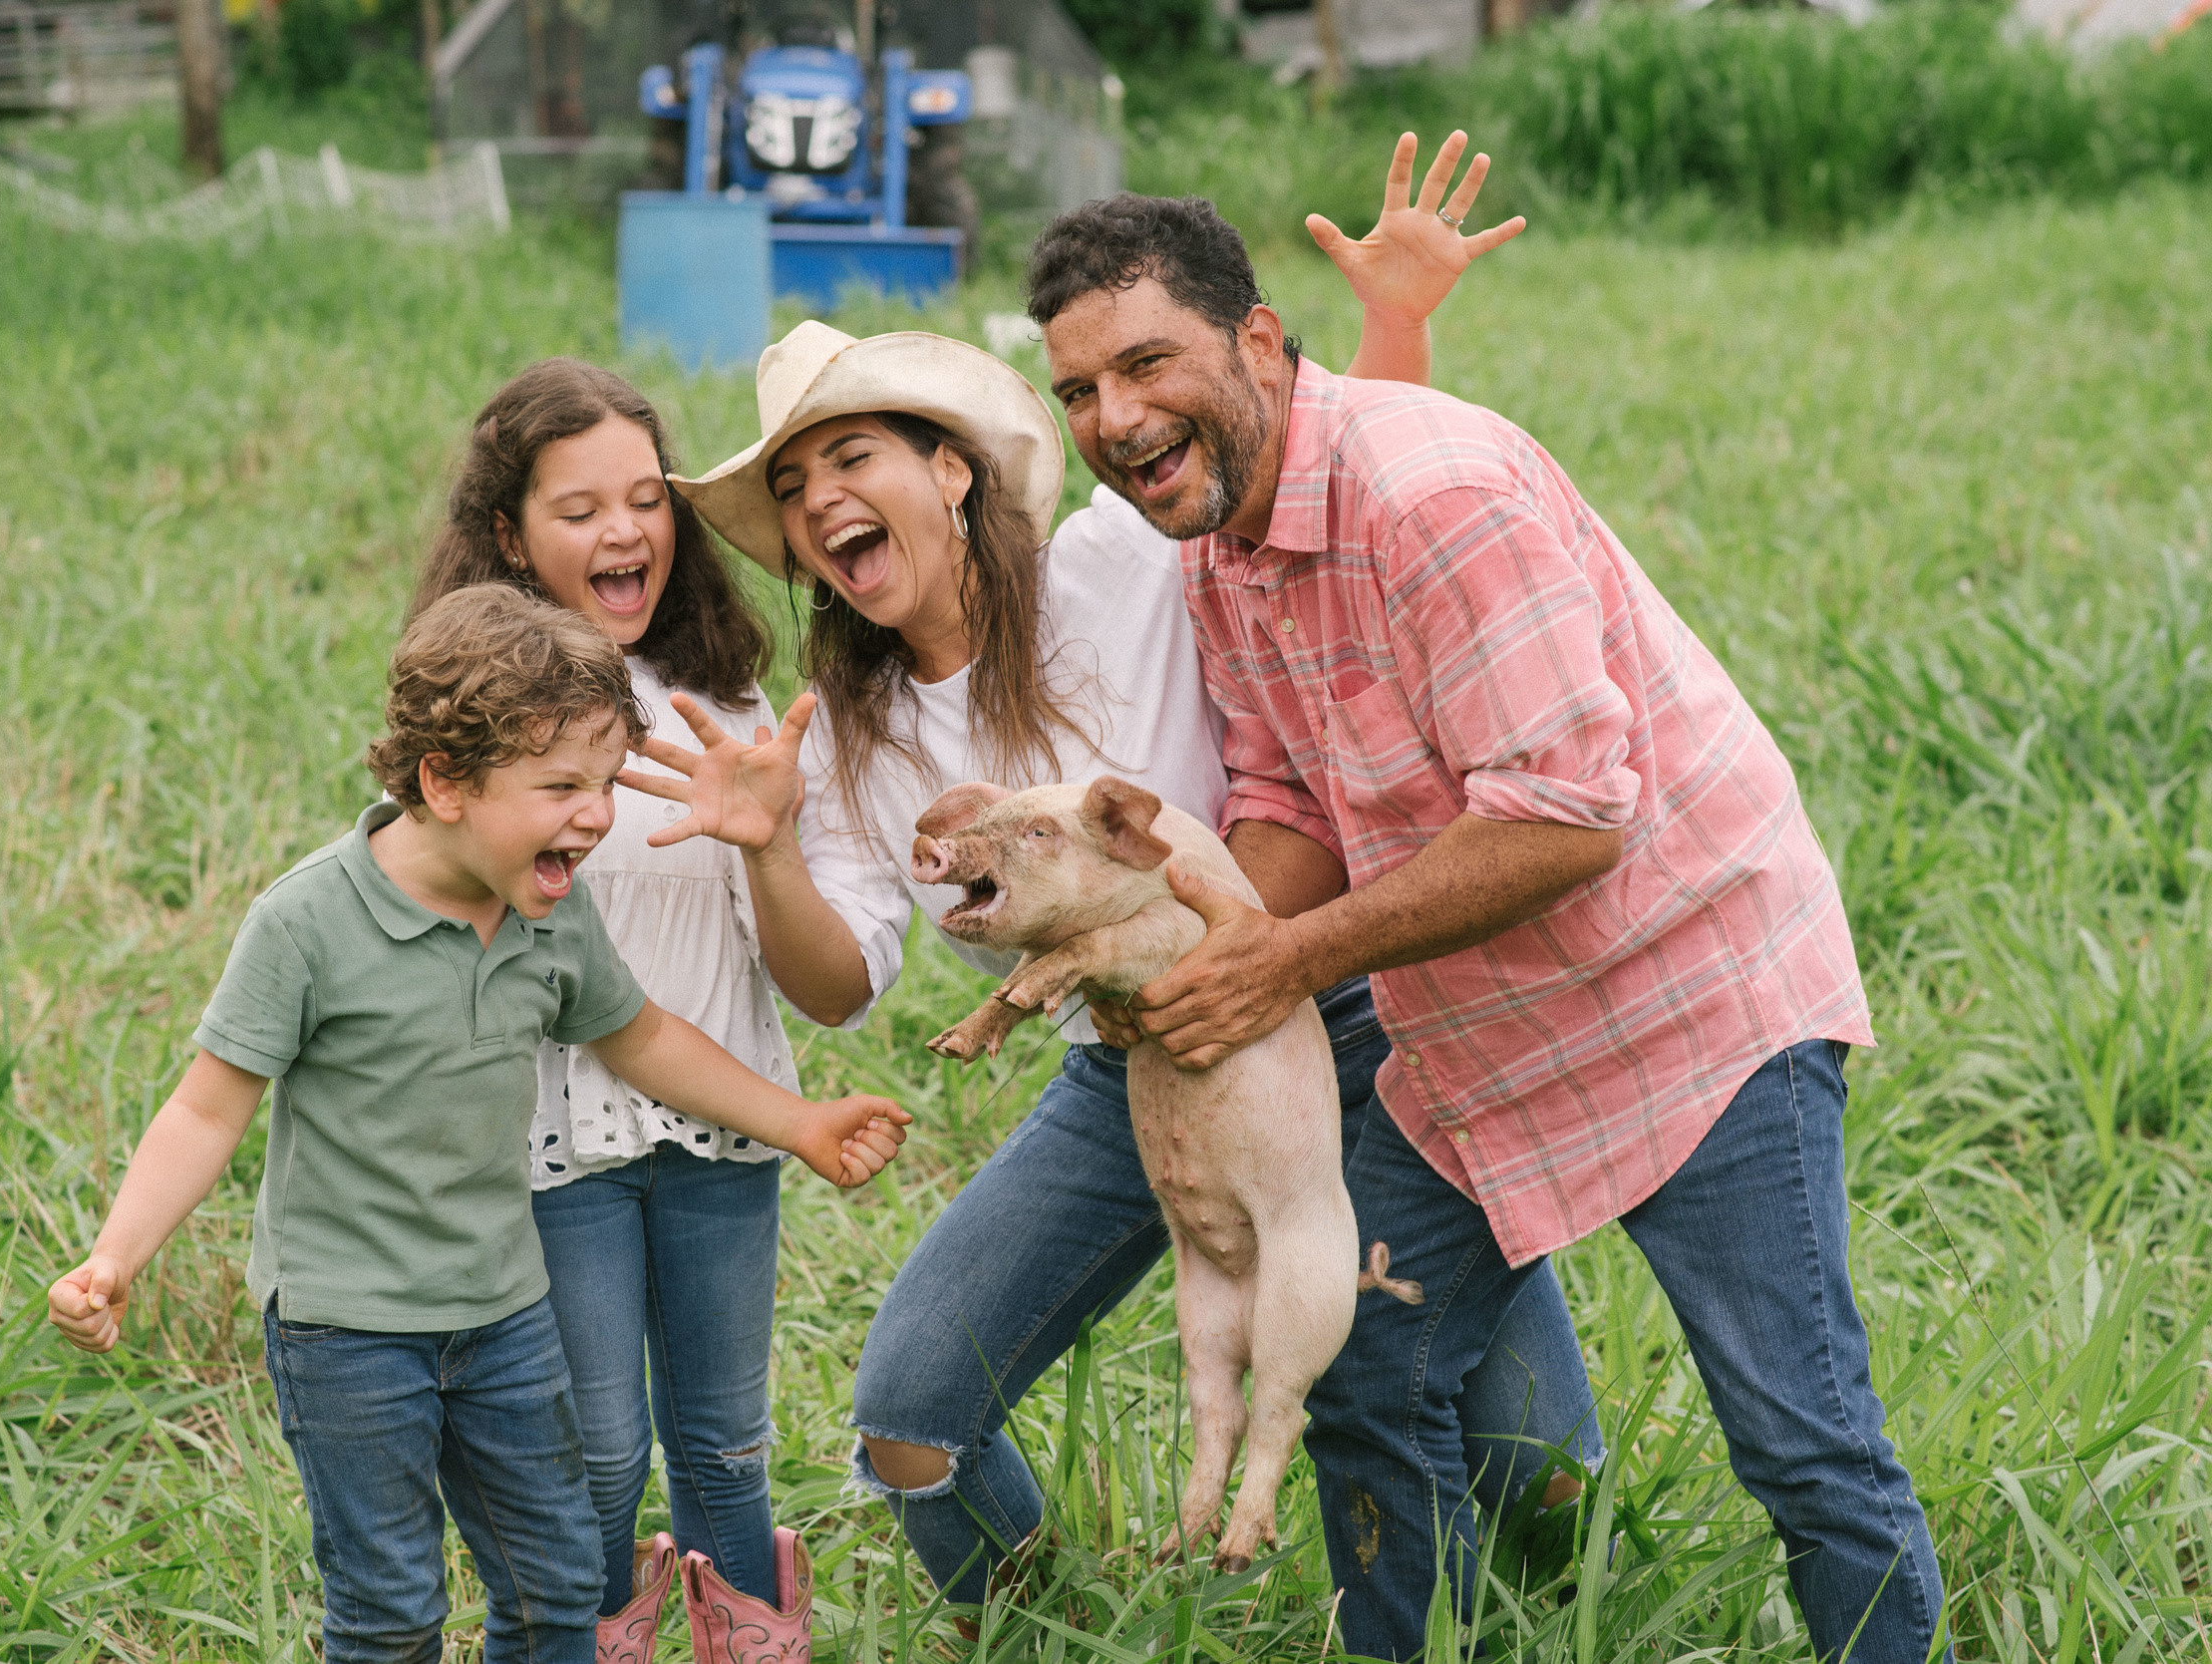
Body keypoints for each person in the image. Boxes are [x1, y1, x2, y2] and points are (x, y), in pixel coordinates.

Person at [623, 133, 1603, 1623]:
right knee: (909, 1426)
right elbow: (839, 987)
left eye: (854, 455)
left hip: (1329, 1015)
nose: (825, 501)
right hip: (1123, 1066)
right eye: (797, 487)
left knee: (1528, 1461)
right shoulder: (854, 746)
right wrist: (765, 846)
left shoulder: (1114, 564)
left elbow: (1312, 509)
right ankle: (1068, 1629)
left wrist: (1395, 324)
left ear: (948, 470)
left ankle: (1574, 1609)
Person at [1029, 192, 1948, 1660]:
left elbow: (1569, 814)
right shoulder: (1220, 547)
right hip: (1484, 1028)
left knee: (1803, 1444)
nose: (1115, 414)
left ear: (1258, 340)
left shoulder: (1430, 494)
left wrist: (1286, 957)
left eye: (1146, 364)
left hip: (1694, 1002)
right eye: (1079, 388)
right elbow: (1283, 792)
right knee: (1356, 1354)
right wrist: (1195, 942)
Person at [42, 583, 910, 1664]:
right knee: (391, 1608)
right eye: (560, 786)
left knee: (554, 1586)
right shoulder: (307, 921)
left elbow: (640, 1037)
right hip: (347, 1330)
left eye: (601, 782)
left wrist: (799, 1120)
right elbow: (205, 1107)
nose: (595, 814)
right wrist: (116, 1255)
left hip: (504, 1315)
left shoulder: (548, 913)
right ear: (443, 781)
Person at [409, 358, 826, 1663]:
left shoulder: (732, 701)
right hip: (557, 1140)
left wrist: (774, 831)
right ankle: (579, 1632)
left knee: (723, 1436)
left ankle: (748, 1628)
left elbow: (782, 916)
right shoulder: (480, 721)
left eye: (646, 499)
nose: (623, 531)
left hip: (720, 1122)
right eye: (579, 508)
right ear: (510, 537)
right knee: (593, 1446)